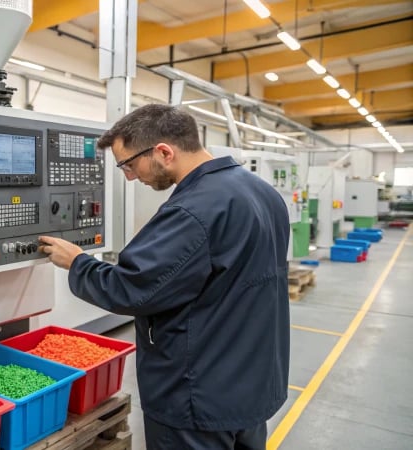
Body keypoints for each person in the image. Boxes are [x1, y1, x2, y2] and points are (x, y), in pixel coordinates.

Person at [39, 104, 290, 450]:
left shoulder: (192, 211)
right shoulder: (261, 193)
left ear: (164, 152)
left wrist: (78, 262)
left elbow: (132, 289)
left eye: (129, 163)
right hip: (250, 383)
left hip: (198, 396)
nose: (129, 176)